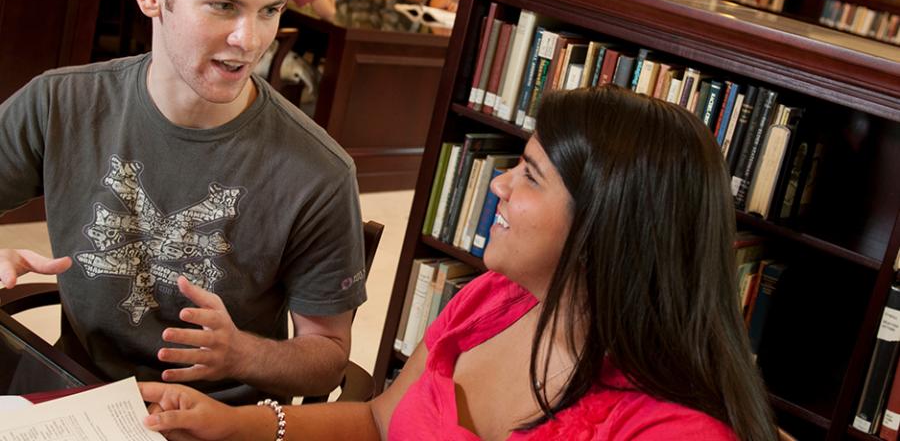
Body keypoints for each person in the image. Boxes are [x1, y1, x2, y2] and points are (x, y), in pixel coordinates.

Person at [139, 86, 778, 440]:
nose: (498, 187)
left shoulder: (670, 432)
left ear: (603, 225)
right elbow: (376, 421)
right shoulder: (490, 301)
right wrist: (231, 425)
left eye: (529, 175)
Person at [0, 0, 366, 404]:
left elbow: (329, 357)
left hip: (219, 423)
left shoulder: (321, 173)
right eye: (223, 5)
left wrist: (241, 354)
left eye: (270, 10)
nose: (250, 40)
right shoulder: (60, 103)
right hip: (74, 400)